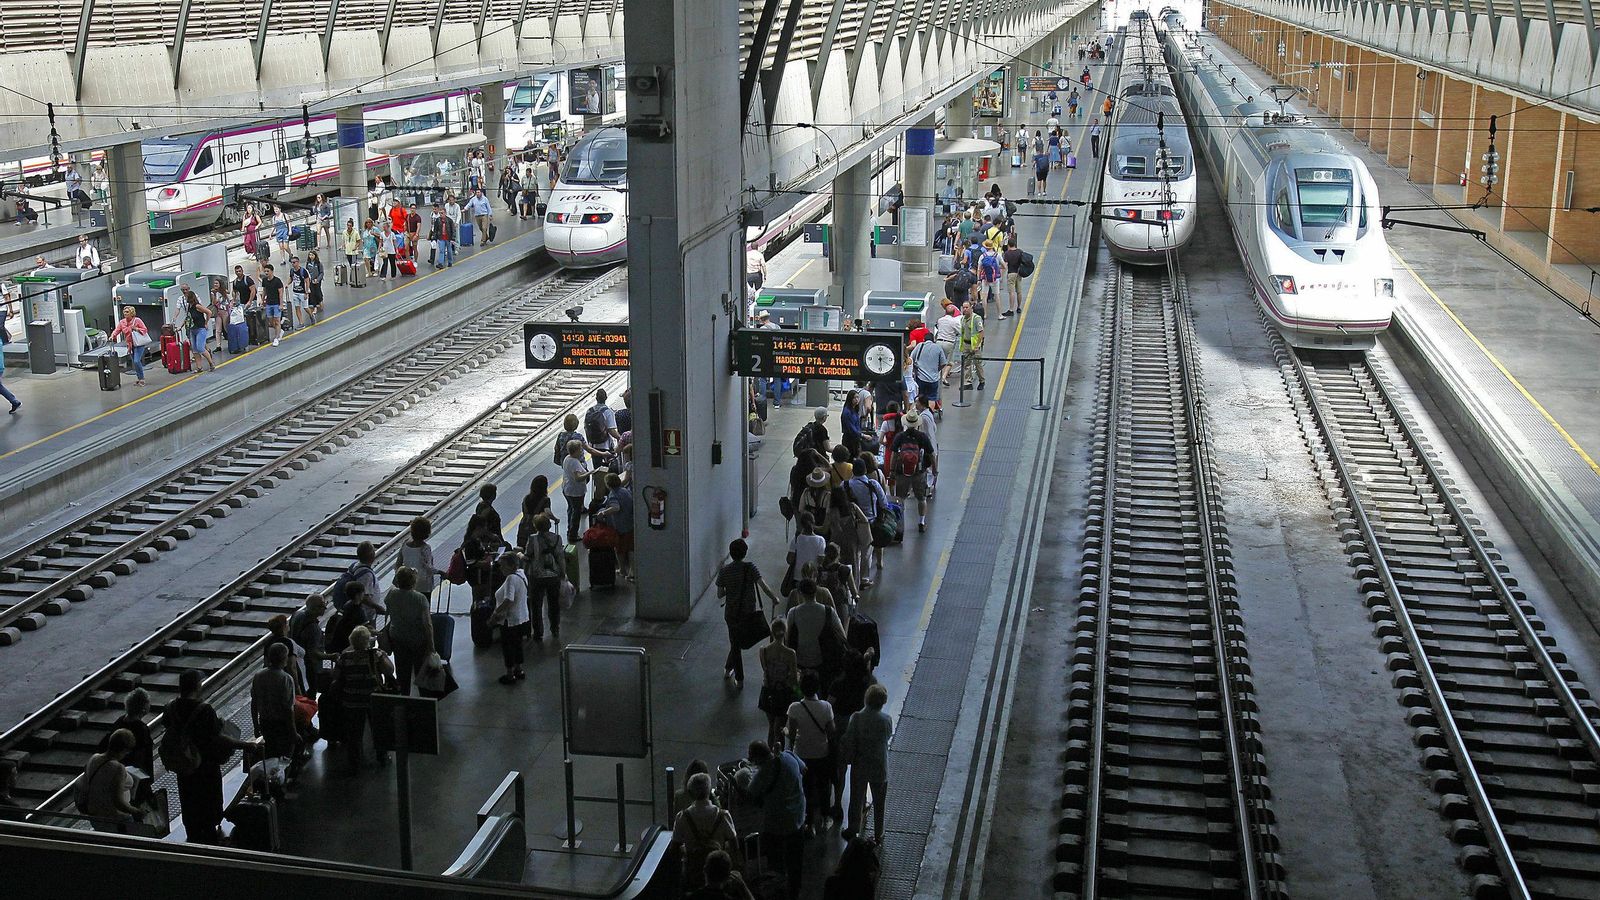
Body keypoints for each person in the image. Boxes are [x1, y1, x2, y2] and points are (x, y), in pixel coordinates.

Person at [168, 669, 259, 841]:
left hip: (184, 764)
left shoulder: (171, 708)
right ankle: (210, 835)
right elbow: (218, 738)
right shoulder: (204, 710)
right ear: (197, 686)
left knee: (188, 798)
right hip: (205, 765)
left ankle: (192, 833)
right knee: (209, 799)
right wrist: (245, 745)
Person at [734, 741, 806, 900]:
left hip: (777, 824)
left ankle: (778, 890)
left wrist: (737, 787)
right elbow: (804, 769)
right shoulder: (789, 756)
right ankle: (795, 889)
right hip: (798, 817)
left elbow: (751, 795)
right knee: (796, 860)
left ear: (758, 759)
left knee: (776, 861)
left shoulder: (763, 774)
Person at [718, 539, 781, 687]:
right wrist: (774, 598)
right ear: (745, 553)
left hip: (731, 613)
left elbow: (720, 594)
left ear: (731, 553)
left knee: (735, 642)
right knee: (737, 643)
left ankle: (732, 674)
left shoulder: (724, 571)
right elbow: (763, 585)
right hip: (748, 611)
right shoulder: (750, 568)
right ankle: (734, 674)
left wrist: (731, 588)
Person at [332, 625, 395, 772]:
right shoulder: (376, 654)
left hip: (351, 701)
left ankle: (354, 763)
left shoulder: (344, 657)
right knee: (378, 728)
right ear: (368, 640)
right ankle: (382, 757)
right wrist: (383, 655)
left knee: (354, 733)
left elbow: (335, 676)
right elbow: (389, 671)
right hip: (373, 699)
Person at [841, 684, 893, 841]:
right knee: (879, 801)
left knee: (856, 798)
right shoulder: (886, 720)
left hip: (860, 763)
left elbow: (849, 739)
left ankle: (853, 828)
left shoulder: (856, 717)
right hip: (879, 765)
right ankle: (878, 833)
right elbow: (888, 736)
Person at [671, 772, 739, 891]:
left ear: (691, 793)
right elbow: (734, 843)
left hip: (693, 872)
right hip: (719, 872)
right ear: (708, 791)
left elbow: (675, 846)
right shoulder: (723, 815)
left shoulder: (682, 817)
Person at [786, 671, 836, 834]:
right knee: (823, 785)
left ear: (802, 688)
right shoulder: (826, 707)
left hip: (801, 754)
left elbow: (791, 734)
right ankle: (825, 816)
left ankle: (808, 822)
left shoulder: (794, 708)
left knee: (805, 788)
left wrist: (785, 731)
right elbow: (831, 732)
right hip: (821, 752)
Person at [78, 729, 148, 832]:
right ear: (125, 750)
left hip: (95, 815)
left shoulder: (94, 758)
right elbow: (118, 802)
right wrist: (137, 811)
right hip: (116, 819)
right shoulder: (118, 768)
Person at [385, 566, 436, 694]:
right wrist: (431, 646)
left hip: (398, 638)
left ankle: (404, 698)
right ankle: (424, 700)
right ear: (414, 581)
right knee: (421, 671)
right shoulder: (420, 598)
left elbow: (388, 609)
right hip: (417, 640)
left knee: (402, 672)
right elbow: (427, 624)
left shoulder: (391, 594)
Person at [891, 410, 937, 532]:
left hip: (902, 473)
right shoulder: (922, 437)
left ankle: (899, 523)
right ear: (917, 423)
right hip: (919, 473)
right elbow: (932, 454)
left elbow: (894, 455)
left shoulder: (900, 437)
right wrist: (934, 470)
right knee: (921, 498)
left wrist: (892, 471)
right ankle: (921, 522)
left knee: (900, 498)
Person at [523, 512, 567, 641]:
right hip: (553, 575)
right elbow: (560, 557)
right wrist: (563, 573)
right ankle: (555, 628)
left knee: (536, 605)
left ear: (536, 527)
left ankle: (538, 633)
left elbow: (527, 556)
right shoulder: (557, 538)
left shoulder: (532, 539)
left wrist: (520, 556)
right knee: (553, 603)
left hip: (536, 576)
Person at [251, 643, 298, 761]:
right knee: (285, 757)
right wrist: (293, 732)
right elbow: (288, 708)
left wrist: (256, 726)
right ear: (284, 658)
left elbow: (254, 703)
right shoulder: (286, 678)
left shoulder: (258, 675)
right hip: (281, 724)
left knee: (270, 754)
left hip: (265, 722)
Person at [491, 553, 530, 682]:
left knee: (507, 647)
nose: (501, 568)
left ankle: (509, 674)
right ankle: (519, 669)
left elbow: (509, 599)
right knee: (517, 644)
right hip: (521, 617)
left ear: (511, 565)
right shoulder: (521, 574)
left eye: (503, 566)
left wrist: (495, 613)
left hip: (509, 619)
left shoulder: (510, 579)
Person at [98, 687, 155, 776]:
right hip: (131, 774)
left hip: (114, 767)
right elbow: (145, 757)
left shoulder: (120, 721)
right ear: (143, 708)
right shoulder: (142, 729)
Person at [288, 593, 333, 694]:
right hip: (310, 667)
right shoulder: (314, 628)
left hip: (297, 660)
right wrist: (331, 656)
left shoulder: (297, 614)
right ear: (315, 608)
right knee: (310, 694)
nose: (325, 607)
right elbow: (313, 653)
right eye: (322, 605)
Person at [595, 473, 634, 580]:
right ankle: (632, 570)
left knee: (619, 549)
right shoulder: (625, 490)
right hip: (630, 523)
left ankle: (622, 570)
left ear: (608, 484)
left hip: (620, 526)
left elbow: (615, 508)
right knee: (631, 548)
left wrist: (603, 513)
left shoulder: (613, 494)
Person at [909, 335, 950, 418]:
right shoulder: (938, 348)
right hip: (933, 379)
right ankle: (929, 416)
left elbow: (911, 359)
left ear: (924, 339)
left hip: (921, 378)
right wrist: (937, 370)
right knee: (932, 397)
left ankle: (920, 415)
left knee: (920, 396)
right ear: (933, 340)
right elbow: (943, 363)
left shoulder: (919, 346)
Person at [109, 305, 150, 386]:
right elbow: (117, 330)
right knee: (135, 363)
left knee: (136, 361)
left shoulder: (137, 320)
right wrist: (112, 336)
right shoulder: (122, 322)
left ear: (132, 313)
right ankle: (139, 378)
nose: (125, 313)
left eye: (127, 312)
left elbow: (145, 330)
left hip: (138, 344)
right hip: (130, 345)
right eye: (124, 312)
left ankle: (142, 378)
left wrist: (136, 329)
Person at [560, 440, 592, 545]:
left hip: (567, 489)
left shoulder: (567, 458)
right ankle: (573, 534)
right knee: (576, 512)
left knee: (570, 509)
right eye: (580, 449)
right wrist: (589, 473)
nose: (582, 451)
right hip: (575, 492)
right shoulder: (574, 462)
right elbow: (578, 478)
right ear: (576, 451)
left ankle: (569, 530)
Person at [788, 513, 826, 595]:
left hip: (798, 576)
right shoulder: (820, 540)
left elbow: (789, 559)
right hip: (813, 577)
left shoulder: (796, 539)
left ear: (801, 525)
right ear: (814, 523)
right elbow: (821, 561)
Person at [184, 288, 218, 373]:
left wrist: (206, 322)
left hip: (200, 328)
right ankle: (199, 367)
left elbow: (209, 312)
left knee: (200, 347)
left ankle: (211, 363)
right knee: (194, 349)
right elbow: (188, 317)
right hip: (192, 329)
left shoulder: (197, 306)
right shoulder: (189, 306)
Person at [958, 299, 986, 391]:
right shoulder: (963, 319)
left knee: (978, 364)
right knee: (966, 364)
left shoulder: (976, 318)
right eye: (964, 307)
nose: (965, 309)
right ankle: (968, 382)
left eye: (967, 307)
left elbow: (981, 332)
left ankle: (982, 381)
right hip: (966, 345)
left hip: (974, 345)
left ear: (971, 308)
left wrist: (978, 345)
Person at [259, 263, 286, 346]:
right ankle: (279, 330)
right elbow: (264, 291)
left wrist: (281, 304)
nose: (266, 273)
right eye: (265, 271)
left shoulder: (277, 281)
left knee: (277, 321)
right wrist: (262, 300)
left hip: (276, 304)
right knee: (271, 321)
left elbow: (280, 293)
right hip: (269, 304)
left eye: (268, 271)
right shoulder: (264, 281)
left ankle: (276, 338)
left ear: (272, 271)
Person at [431, 203, 458, 268]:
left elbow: (453, 230)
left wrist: (453, 238)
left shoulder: (449, 220)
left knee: (449, 251)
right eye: (440, 213)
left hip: (448, 238)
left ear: (445, 213)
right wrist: (434, 238)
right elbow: (435, 230)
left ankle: (450, 262)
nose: (441, 215)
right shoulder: (437, 220)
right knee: (441, 251)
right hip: (441, 238)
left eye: (442, 213)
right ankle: (441, 263)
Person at [305, 250, 326, 323]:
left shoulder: (319, 263)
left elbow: (321, 272)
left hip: (317, 281)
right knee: (312, 293)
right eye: (310, 255)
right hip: (310, 281)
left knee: (318, 292)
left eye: (312, 255)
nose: (311, 256)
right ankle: (314, 306)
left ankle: (320, 301)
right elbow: (306, 272)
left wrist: (318, 279)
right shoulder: (308, 263)